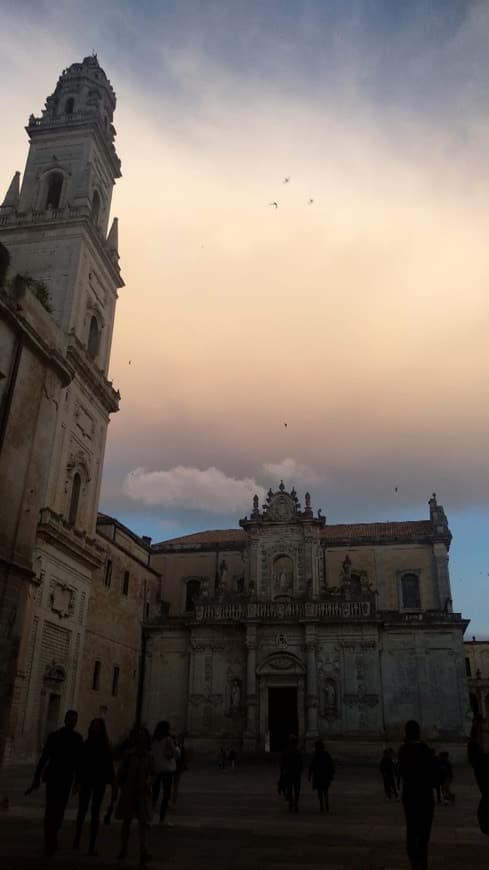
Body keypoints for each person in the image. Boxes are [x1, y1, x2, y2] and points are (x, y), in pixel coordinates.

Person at [28, 709, 83, 856]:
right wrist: (36, 778)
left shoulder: (76, 739)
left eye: (75, 720)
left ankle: (51, 838)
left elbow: (78, 763)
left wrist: (77, 781)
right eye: (72, 719)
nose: (73, 722)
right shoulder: (58, 737)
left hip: (64, 779)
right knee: (52, 809)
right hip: (56, 778)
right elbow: (44, 758)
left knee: (57, 810)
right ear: (66, 720)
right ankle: (50, 840)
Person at [398, 720, 437, 870]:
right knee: (424, 832)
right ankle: (422, 861)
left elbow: (401, 772)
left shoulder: (403, 750)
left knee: (411, 829)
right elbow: (434, 774)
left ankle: (414, 862)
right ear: (418, 732)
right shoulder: (425, 750)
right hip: (425, 796)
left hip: (409, 796)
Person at [73, 718, 115, 855]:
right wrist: (77, 781)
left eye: (97, 727)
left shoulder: (104, 746)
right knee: (82, 810)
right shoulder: (86, 745)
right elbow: (79, 765)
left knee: (95, 812)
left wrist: (113, 783)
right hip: (87, 780)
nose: (95, 729)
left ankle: (91, 844)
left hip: (99, 781)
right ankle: (77, 840)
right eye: (94, 726)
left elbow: (109, 765)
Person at [113, 726, 154, 866]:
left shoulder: (149, 756)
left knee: (144, 823)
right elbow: (121, 773)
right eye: (138, 735)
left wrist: (148, 782)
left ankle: (144, 850)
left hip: (143, 793)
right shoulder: (129, 755)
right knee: (127, 821)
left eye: (142, 735)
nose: (140, 738)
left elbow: (153, 774)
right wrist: (116, 788)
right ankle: (123, 848)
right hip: (129, 792)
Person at [151, 721, 178, 825]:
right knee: (166, 795)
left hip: (156, 769)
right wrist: (177, 747)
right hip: (166, 770)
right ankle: (162, 819)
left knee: (155, 794)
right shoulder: (168, 739)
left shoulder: (154, 740)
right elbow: (176, 754)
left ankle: (149, 815)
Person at [308, 739, 335, 812]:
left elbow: (312, 765)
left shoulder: (316, 755)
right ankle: (326, 805)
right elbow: (331, 765)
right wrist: (331, 774)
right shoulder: (326, 754)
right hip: (325, 775)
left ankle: (322, 806)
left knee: (320, 792)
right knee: (325, 791)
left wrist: (309, 775)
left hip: (319, 775)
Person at [279, 735, 303, 813]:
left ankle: (291, 803)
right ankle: (296, 804)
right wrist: (300, 770)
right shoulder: (298, 751)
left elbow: (282, 763)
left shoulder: (286, 751)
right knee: (297, 789)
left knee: (289, 788)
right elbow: (301, 763)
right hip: (296, 772)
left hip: (288, 772)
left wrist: (282, 772)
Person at [171, 735, 187, 809]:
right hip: (176, 770)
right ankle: (173, 802)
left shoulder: (176, 748)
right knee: (174, 787)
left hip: (174, 769)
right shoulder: (180, 748)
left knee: (172, 787)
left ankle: (172, 802)